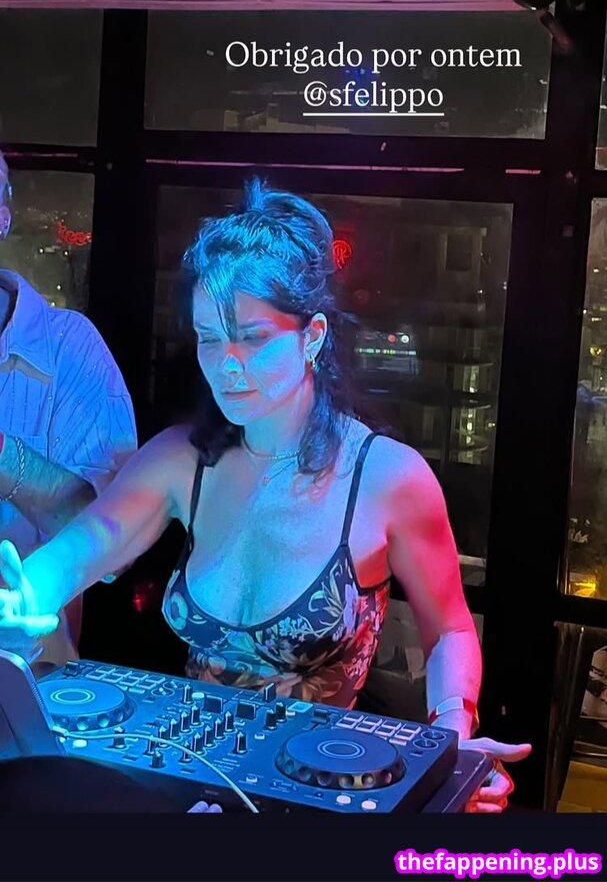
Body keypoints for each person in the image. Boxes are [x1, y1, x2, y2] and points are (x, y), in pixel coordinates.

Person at [0, 178, 530, 812]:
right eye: (209, 338)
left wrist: (452, 738)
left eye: (252, 338)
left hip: (323, 793)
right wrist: (25, 594)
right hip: (191, 783)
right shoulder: (181, 459)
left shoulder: (388, 478)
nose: (226, 364)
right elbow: (86, 546)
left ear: (312, 336)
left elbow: (450, 629)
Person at [0, 150, 138, 673]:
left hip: (24, 686)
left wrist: (3, 456)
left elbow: (116, 547)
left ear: (3, 217)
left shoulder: (68, 349)